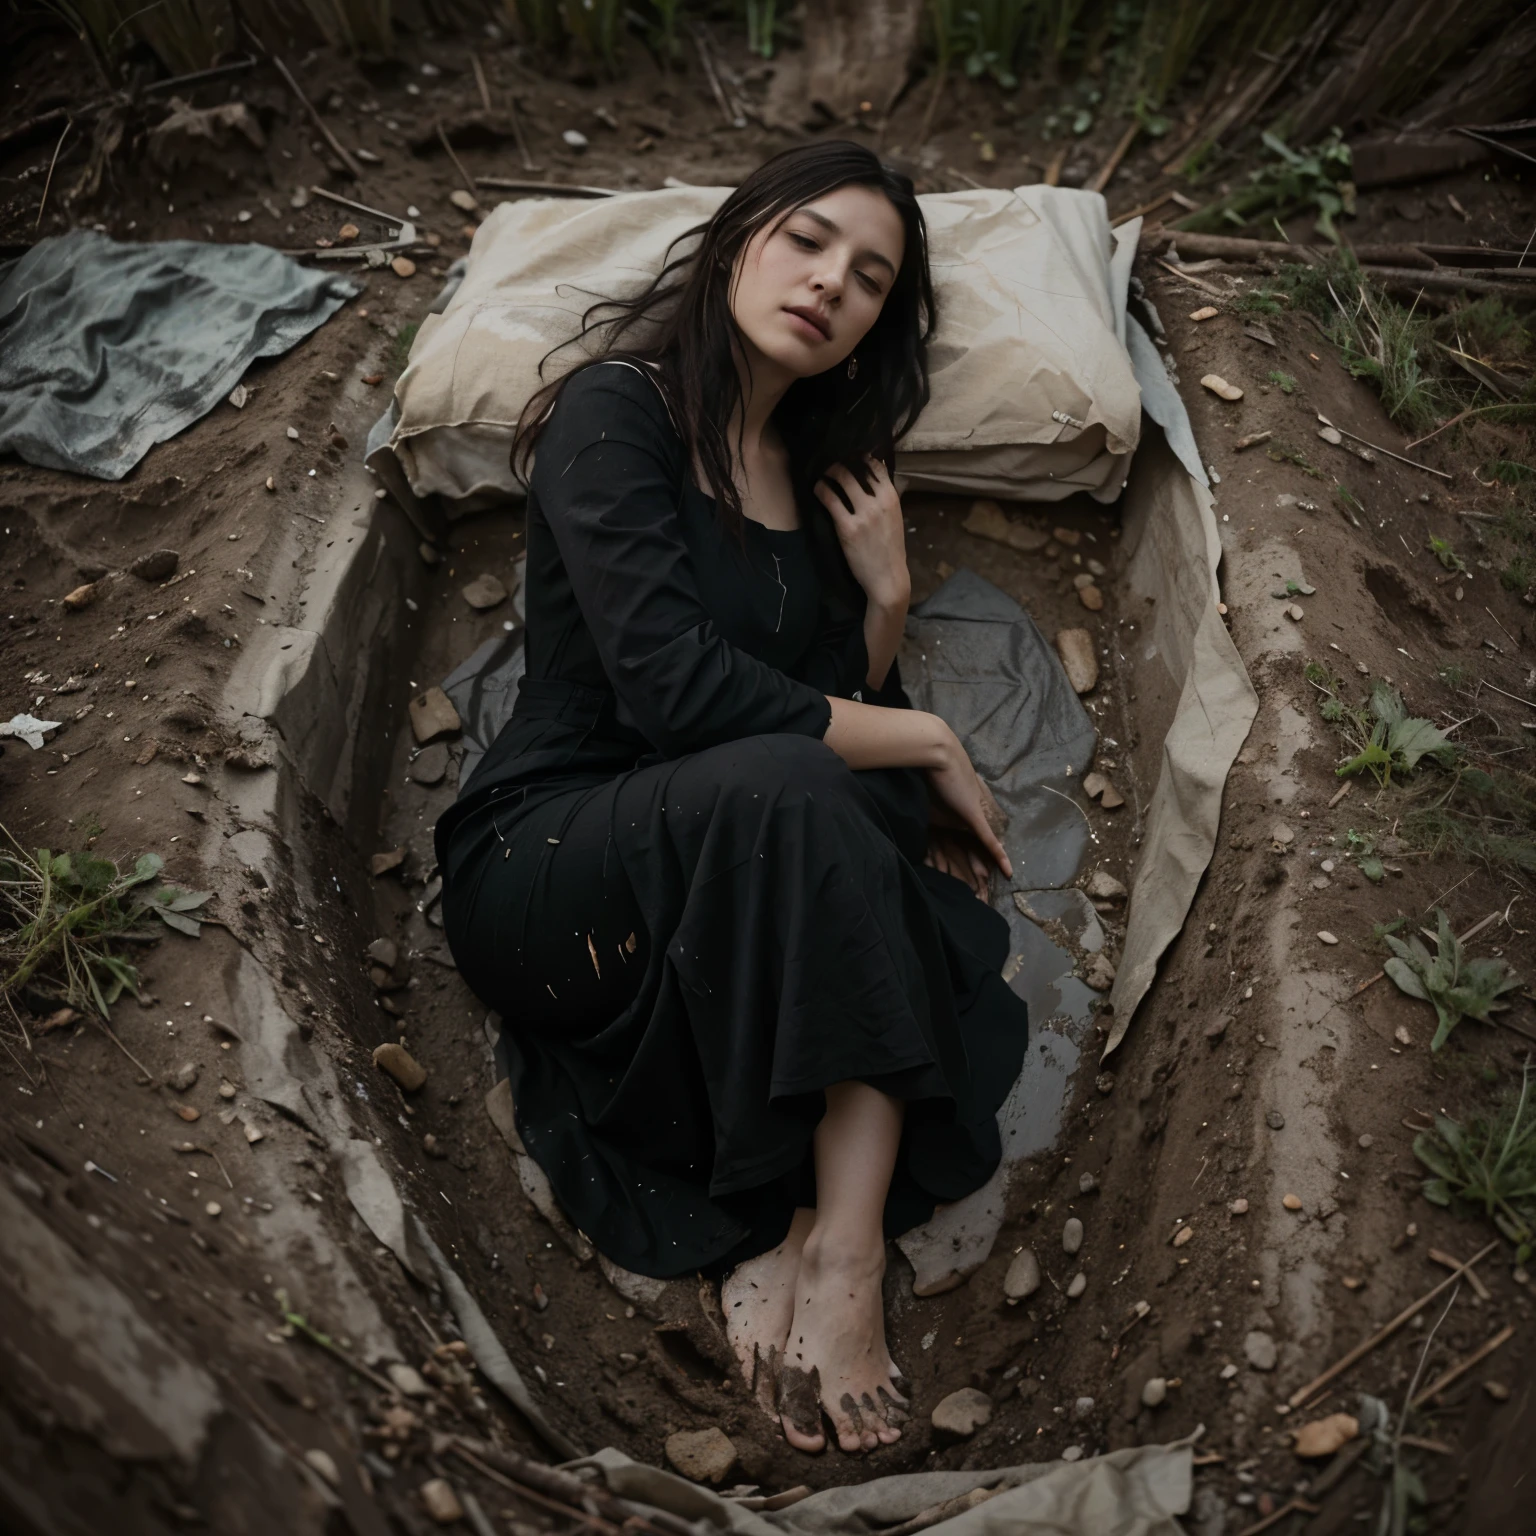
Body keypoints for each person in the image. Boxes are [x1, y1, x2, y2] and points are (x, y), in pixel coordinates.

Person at [436, 142, 1030, 1456]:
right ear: (738, 237)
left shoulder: (820, 470)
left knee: (847, 809)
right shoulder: (617, 412)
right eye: (810, 239)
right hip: (557, 858)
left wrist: (881, 603)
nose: (832, 283)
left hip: (738, 833)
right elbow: (676, 699)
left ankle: (838, 1246)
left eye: (870, 276)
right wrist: (926, 730)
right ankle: (788, 1209)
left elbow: (808, 700)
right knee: (827, 788)